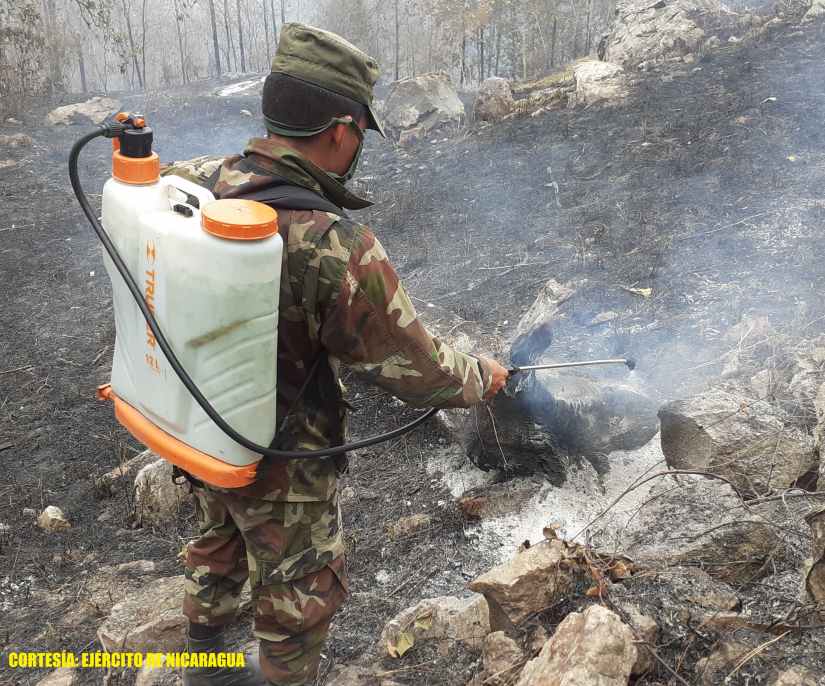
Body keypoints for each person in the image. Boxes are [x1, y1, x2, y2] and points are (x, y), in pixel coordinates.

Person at [162, 23, 509, 686]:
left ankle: (206, 671)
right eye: (360, 133)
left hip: (199, 426)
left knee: (217, 557)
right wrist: (482, 376)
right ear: (342, 129)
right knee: (295, 604)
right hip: (280, 458)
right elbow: (419, 370)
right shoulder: (331, 242)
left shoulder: (198, 184)